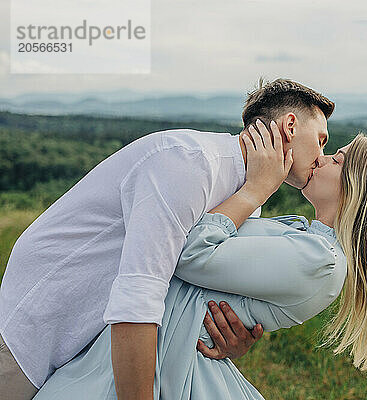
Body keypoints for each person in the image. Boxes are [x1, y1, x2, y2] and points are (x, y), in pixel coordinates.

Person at [32, 132, 367, 399]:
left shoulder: (321, 263)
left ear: (361, 189)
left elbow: (191, 252)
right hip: (148, 351)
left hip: (168, 368)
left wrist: (255, 189)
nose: (323, 159)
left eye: (339, 159)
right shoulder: (305, 238)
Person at [0, 78, 334, 400]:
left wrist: (235, 338)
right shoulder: (187, 164)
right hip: (37, 332)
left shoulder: (245, 198)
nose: (322, 155)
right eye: (321, 140)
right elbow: (137, 303)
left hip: (89, 350)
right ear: (290, 125)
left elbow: (193, 293)